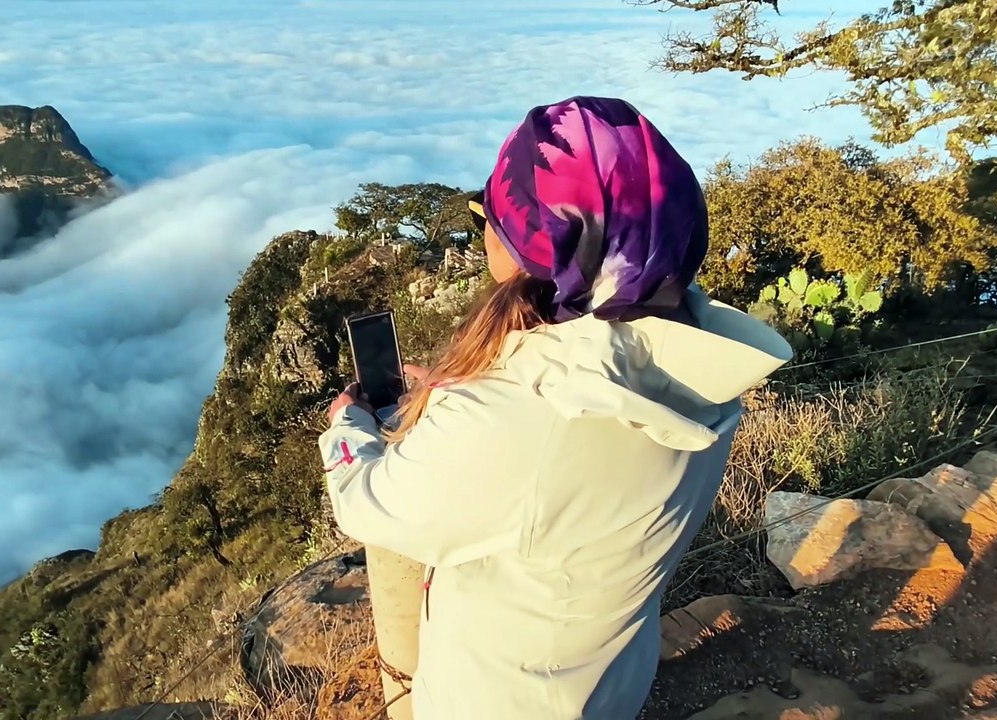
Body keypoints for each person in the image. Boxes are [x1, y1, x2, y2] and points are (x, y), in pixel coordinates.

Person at [318, 96, 792, 719]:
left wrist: (346, 427)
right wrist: (471, 395)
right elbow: (549, 448)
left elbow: (371, 504)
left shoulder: (511, 418)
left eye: (489, 212)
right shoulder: (699, 362)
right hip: (611, 677)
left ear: (533, 243)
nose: (483, 224)